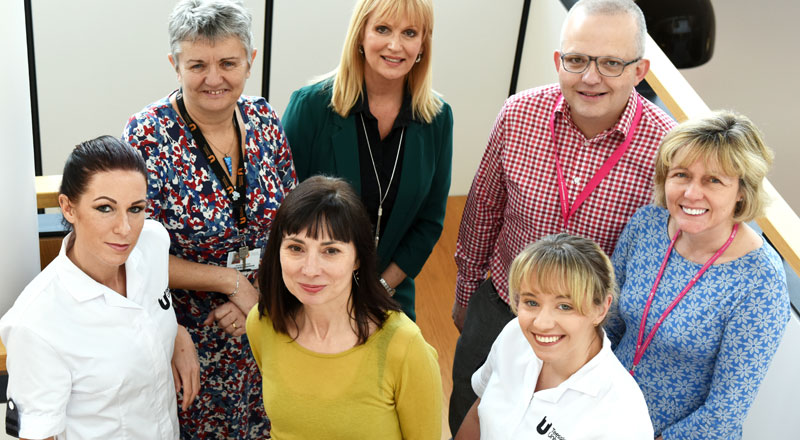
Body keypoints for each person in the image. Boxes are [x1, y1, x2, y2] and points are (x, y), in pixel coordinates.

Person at [449, 0, 677, 432]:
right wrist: (465, 296)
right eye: (576, 60)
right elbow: (482, 211)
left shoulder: (665, 151)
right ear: (558, 61)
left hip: (583, 329)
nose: (590, 77)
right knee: (470, 404)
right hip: (505, 305)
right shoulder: (518, 115)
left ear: (639, 71)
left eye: (611, 63)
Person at [123, 0, 295, 436]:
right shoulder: (147, 135)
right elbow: (132, 253)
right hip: (185, 334)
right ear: (174, 65)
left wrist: (257, 295)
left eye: (228, 63)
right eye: (197, 64)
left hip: (264, 317)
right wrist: (232, 283)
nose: (214, 78)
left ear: (250, 62)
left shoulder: (264, 119)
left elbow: (295, 223)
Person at [0, 136, 199, 439]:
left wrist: (176, 335)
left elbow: (150, 309)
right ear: (68, 208)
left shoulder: (152, 242)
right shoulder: (35, 324)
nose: (125, 228)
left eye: (136, 208)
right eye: (105, 208)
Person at [607, 111, 791, 438]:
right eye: (681, 175)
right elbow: (608, 326)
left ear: (742, 192)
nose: (691, 193)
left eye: (713, 180)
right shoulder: (648, 224)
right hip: (602, 410)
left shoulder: (760, 282)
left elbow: (724, 413)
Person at [281, 0, 453, 321]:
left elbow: (429, 222)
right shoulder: (310, 107)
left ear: (422, 44)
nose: (395, 45)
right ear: (361, 34)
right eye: (383, 29)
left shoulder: (438, 118)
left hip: (388, 294)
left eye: (409, 33)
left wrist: (381, 287)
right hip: (310, 291)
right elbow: (283, 211)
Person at [246, 176, 442, 439]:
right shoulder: (261, 324)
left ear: (358, 258)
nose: (310, 269)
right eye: (296, 248)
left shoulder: (405, 347)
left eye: (331, 251)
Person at [455, 234, 653, 439]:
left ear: (601, 309)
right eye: (531, 302)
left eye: (565, 306)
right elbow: (478, 416)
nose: (541, 323)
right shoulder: (514, 334)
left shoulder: (624, 415)